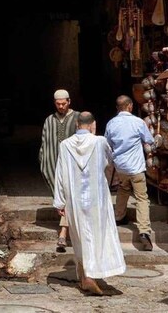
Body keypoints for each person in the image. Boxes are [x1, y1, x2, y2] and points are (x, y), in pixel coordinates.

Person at [54, 111, 126, 295]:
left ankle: (86, 275)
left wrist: (60, 202)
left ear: (77, 124)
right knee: (96, 236)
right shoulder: (100, 142)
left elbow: (60, 174)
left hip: (75, 200)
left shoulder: (65, 145)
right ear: (92, 124)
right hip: (97, 199)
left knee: (80, 238)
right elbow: (110, 161)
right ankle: (90, 276)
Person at [105, 94, 155, 251]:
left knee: (123, 189)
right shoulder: (138, 122)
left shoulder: (111, 123)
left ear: (117, 108)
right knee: (141, 198)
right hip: (136, 167)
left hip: (121, 167)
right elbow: (150, 140)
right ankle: (144, 231)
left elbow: (108, 144)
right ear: (130, 106)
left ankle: (119, 217)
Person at [40, 89, 78, 252]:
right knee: (63, 199)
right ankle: (66, 230)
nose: (61, 106)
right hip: (55, 166)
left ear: (69, 101)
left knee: (68, 198)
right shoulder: (49, 120)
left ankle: (63, 232)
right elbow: (45, 143)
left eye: (64, 103)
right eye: (58, 104)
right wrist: (44, 161)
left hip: (73, 167)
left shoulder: (77, 118)